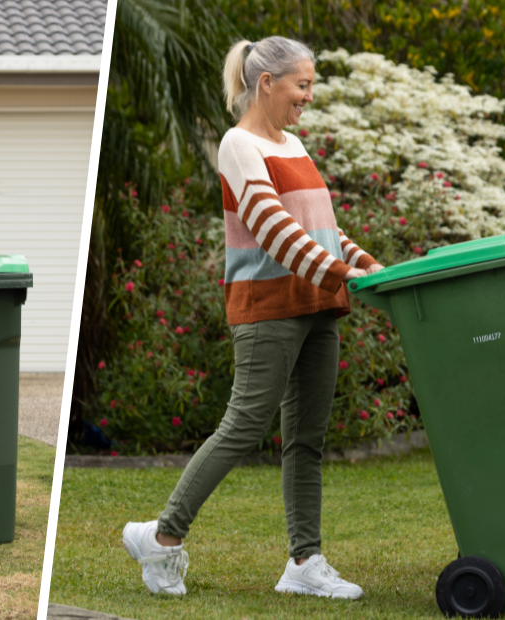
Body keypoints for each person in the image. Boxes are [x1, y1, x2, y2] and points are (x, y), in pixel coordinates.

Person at [119, 37, 383, 599]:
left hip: (317, 308)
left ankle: (303, 562)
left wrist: (368, 267)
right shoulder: (239, 146)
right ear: (268, 84)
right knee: (243, 425)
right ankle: (162, 539)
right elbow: (270, 226)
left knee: (306, 440)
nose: (308, 97)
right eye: (302, 85)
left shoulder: (293, 145)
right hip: (268, 310)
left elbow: (321, 231)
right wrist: (341, 273)